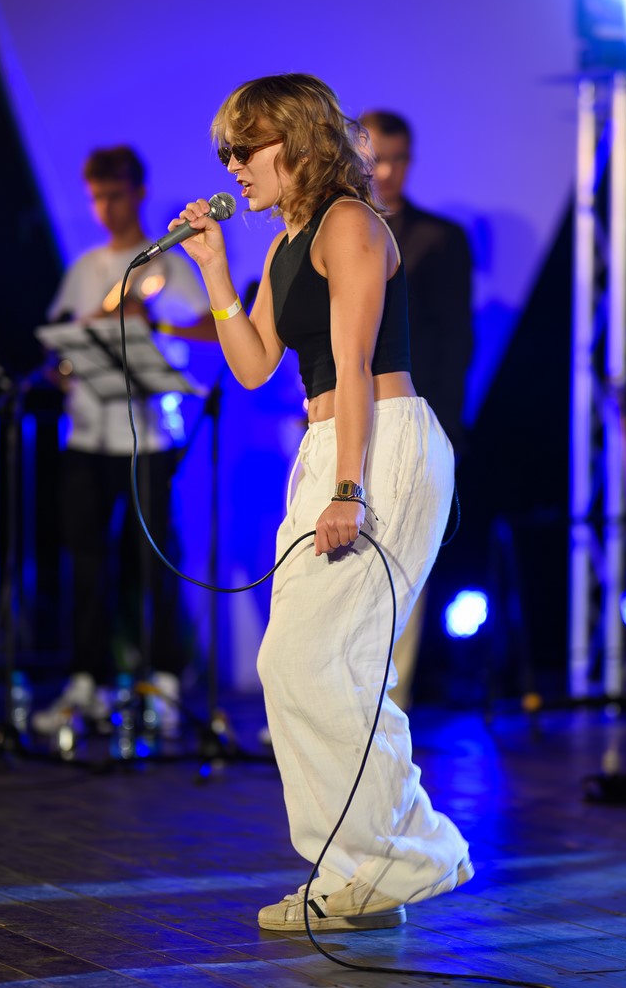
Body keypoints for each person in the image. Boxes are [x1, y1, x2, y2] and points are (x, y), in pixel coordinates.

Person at [172, 73, 472, 932]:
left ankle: (404, 853)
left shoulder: (349, 223)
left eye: (246, 148)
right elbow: (253, 363)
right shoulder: (284, 243)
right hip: (329, 445)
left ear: (296, 141)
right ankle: (362, 867)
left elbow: (354, 364)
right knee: (294, 663)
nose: (234, 166)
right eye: (227, 153)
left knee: (326, 661)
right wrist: (214, 270)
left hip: (380, 441)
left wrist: (349, 486)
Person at [35, 145, 211, 740]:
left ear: (138, 192)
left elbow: (212, 328)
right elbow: (58, 345)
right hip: (87, 434)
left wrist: (153, 321)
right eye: (97, 198)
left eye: (115, 194)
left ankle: (164, 680)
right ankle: (88, 679)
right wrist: (65, 363)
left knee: (155, 561)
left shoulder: (168, 263)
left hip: (150, 436)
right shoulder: (85, 266)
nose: (106, 208)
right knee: (86, 562)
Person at [359, 109, 474, 713]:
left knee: (402, 564)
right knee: (337, 562)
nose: (386, 172)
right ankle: (330, 704)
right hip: (341, 420)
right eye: (376, 159)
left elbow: (455, 343)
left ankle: (387, 710)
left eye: (398, 159)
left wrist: (443, 433)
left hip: (411, 422)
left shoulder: (439, 238)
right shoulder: (336, 227)